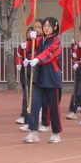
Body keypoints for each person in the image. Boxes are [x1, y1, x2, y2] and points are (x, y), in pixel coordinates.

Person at [22, 16, 63, 144]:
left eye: (49, 26)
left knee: (53, 107)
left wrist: (38, 59)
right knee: (34, 104)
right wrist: (30, 40)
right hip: (38, 78)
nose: (46, 28)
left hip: (51, 79)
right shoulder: (40, 40)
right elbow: (30, 48)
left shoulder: (57, 41)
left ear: (55, 27)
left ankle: (56, 132)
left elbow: (49, 53)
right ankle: (33, 131)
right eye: (44, 26)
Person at [67, 29, 81, 120]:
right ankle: (73, 110)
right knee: (77, 91)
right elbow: (75, 57)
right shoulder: (80, 44)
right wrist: (73, 48)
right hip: (80, 70)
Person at [15, 26, 35, 125]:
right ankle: (25, 114)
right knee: (26, 91)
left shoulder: (36, 44)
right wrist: (18, 64)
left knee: (29, 93)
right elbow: (19, 56)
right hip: (25, 69)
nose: (29, 34)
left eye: (31, 32)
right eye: (28, 32)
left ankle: (26, 114)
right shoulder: (24, 44)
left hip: (34, 70)